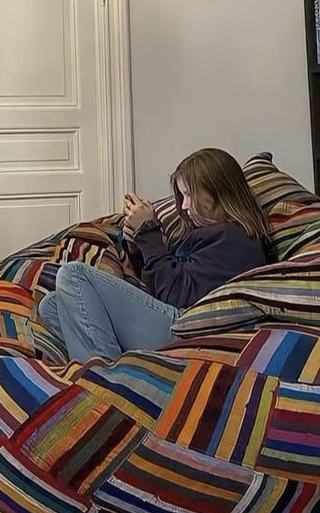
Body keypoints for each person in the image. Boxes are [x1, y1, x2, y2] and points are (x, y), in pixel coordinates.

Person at [38, 148, 270, 363]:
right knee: (51, 304)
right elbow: (162, 283)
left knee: (73, 274)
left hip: (185, 328)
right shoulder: (203, 232)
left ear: (217, 193)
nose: (186, 205)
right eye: (182, 196)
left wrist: (149, 233)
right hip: (167, 318)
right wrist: (137, 245)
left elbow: (177, 295)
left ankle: (103, 377)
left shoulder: (236, 239)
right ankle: (120, 364)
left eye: (189, 195)